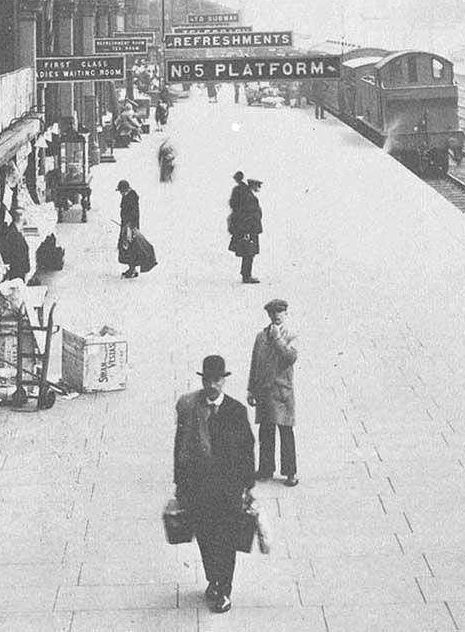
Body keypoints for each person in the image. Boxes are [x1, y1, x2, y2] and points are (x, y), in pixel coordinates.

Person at [174, 355, 255, 614]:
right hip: (199, 488)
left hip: (228, 490)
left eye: (217, 380)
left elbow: (247, 449)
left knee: (227, 540)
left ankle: (224, 589)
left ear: (223, 381)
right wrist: (180, 482)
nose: (212, 385)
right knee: (205, 538)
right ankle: (213, 579)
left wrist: (247, 485)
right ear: (203, 380)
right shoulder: (190, 408)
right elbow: (180, 447)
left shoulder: (236, 410)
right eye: (208, 380)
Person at [247, 299, 299, 487]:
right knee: (266, 431)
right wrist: (251, 389)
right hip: (264, 390)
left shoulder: (291, 335)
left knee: (286, 432)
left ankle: (290, 472)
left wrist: (278, 339)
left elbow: (290, 357)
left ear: (286, 314)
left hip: (282, 391)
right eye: (273, 312)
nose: (276, 315)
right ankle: (265, 468)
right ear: (268, 315)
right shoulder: (261, 336)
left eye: (280, 311)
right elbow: (255, 363)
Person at [228, 178, 262, 284]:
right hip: (249, 230)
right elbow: (247, 215)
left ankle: (246, 274)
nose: (259, 188)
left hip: (250, 229)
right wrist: (246, 231)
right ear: (253, 185)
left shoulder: (247, 195)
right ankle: (246, 276)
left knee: (249, 253)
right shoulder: (249, 197)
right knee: (249, 253)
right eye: (258, 185)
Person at [116, 179, 152, 278]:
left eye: (121, 191)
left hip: (130, 227)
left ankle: (132, 270)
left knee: (130, 247)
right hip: (127, 225)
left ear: (125, 190)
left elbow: (133, 214)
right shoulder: (128, 196)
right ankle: (132, 268)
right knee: (128, 247)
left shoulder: (131, 198)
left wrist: (129, 225)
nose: (120, 193)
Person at [0, 207, 30, 282]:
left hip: (19, 271)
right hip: (17, 273)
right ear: (20, 216)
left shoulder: (16, 230)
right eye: (26, 215)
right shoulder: (13, 234)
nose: (27, 217)